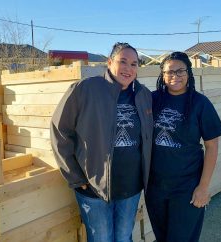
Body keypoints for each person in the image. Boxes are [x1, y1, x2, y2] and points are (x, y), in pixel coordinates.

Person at [50, 42, 153, 242]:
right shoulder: (84, 90)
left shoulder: (143, 95)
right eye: (122, 61)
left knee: (124, 237)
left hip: (130, 186)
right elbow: (59, 131)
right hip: (93, 187)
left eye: (134, 64)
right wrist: (76, 178)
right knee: (101, 239)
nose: (128, 68)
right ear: (109, 62)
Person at [145, 52, 221, 242]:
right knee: (162, 237)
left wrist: (203, 187)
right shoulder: (152, 99)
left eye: (180, 71)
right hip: (155, 187)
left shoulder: (200, 103)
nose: (175, 76)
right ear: (162, 75)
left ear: (188, 73)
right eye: (169, 72)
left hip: (187, 187)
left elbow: (212, 146)